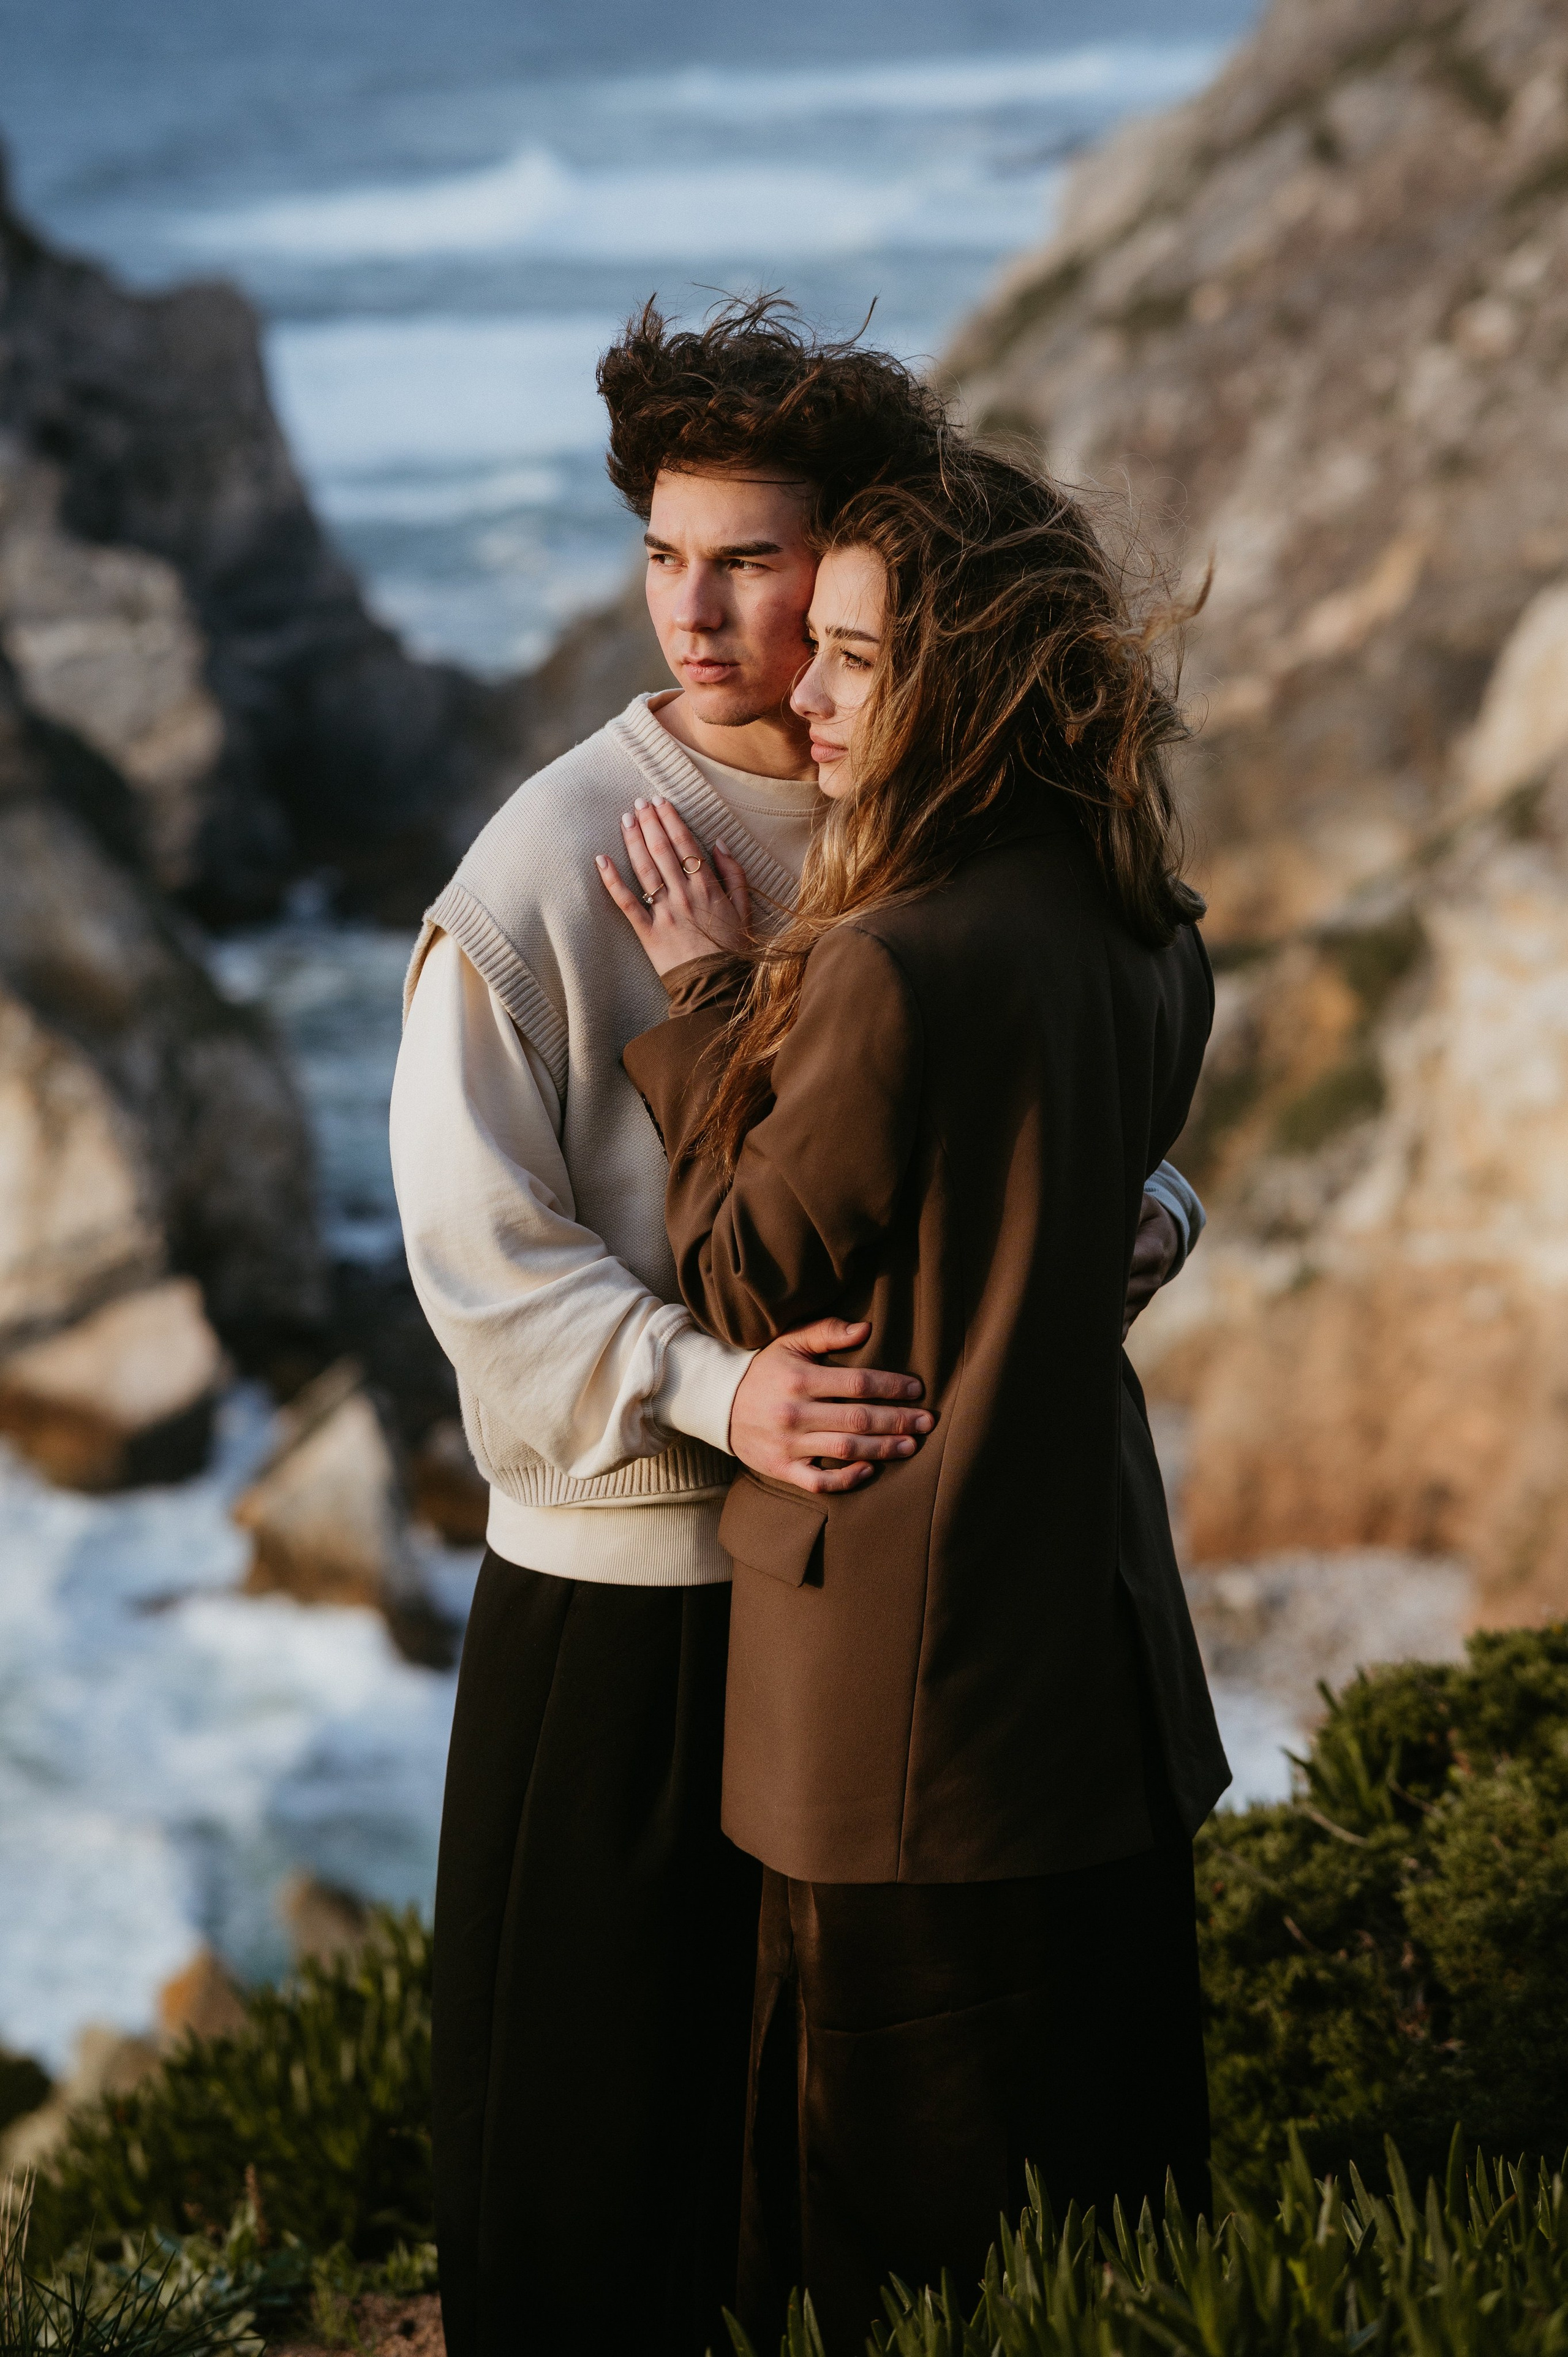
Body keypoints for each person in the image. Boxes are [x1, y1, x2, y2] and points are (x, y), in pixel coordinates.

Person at [391, 300, 1206, 2357]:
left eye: (750, 562)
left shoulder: (913, 802)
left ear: (856, 566)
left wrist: (1150, 1207)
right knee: (586, 2188)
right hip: (634, 1595)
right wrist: (713, 1386)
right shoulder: (553, 862)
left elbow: (1049, 1062)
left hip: (854, 1622)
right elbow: (480, 1261)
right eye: (662, 556)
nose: (694, 614)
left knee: (793, 2204)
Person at [601, 445, 1231, 2352]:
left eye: (859, 659)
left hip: (900, 1700)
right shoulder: (1150, 925)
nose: (806, 690)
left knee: (885, 2231)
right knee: (1107, 2203)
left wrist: (717, 997)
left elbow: (740, 1272)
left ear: (969, 684)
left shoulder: (884, 964)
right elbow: (1103, 1193)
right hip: (1100, 1660)